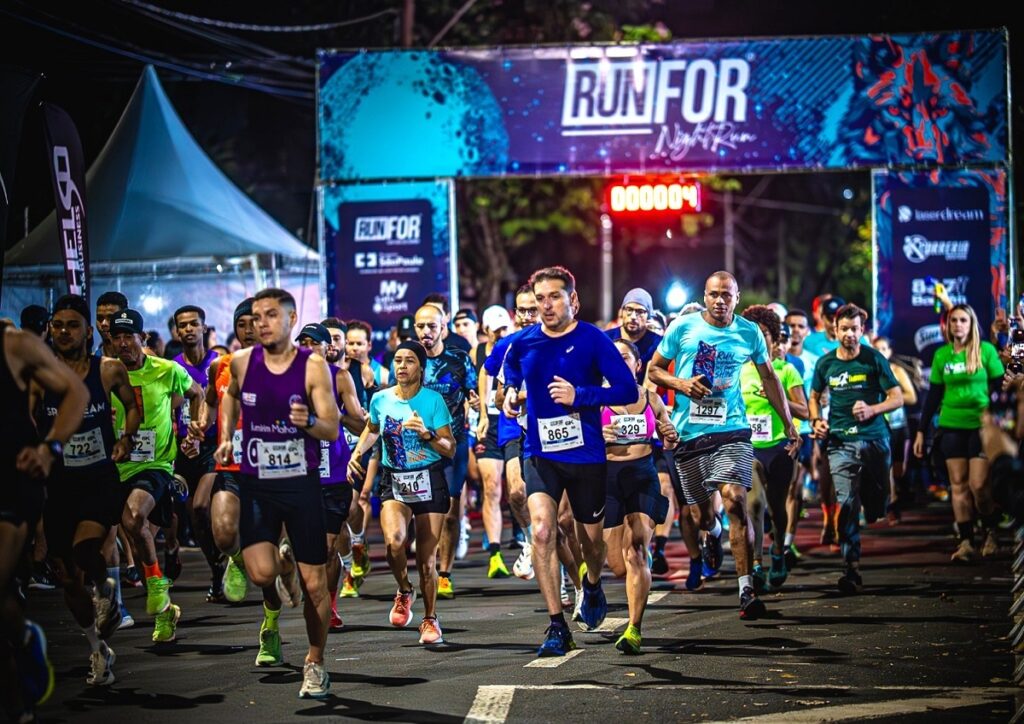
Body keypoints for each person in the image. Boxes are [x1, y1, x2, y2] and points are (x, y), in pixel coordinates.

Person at [502, 266, 638, 656]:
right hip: (540, 452)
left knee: (591, 542)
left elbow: (626, 389)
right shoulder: (524, 343)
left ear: (573, 300)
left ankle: (591, 582)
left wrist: (580, 395)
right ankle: (557, 625)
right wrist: (511, 396)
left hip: (587, 455)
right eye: (540, 298)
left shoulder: (593, 339)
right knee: (542, 531)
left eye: (555, 297)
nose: (546, 306)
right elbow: (510, 378)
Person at [648, 271, 799, 619]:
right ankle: (713, 534)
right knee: (702, 517)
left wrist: (790, 424)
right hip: (691, 435)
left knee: (734, 500)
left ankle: (746, 589)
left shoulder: (748, 332)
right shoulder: (683, 328)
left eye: (726, 295)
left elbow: (768, 377)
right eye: (713, 294)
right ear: (704, 296)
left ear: (737, 297)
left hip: (732, 429)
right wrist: (681, 384)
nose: (719, 300)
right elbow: (654, 371)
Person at [214, 288, 339, 699]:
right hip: (257, 482)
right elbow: (230, 398)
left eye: (270, 315)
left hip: (301, 484)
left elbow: (332, 429)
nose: (260, 323)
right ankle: (284, 572)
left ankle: (315, 661)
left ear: (290, 318)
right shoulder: (243, 362)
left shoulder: (313, 366)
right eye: (254, 316)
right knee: (260, 573)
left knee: (316, 586)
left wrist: (308, 422)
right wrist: (228, 436)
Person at [32, 294, 140, 686]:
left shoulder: (108, 370)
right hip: (60, 486)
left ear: (89, 331)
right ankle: (98, 649)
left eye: (72, 325)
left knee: (84, 548)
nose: (63, 332)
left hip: (98, 478)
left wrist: (126, 438)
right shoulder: (39, 375)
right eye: (57, 325)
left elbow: (132, 406)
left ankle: (107, 589)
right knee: (68, 582)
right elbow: (29, 422)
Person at [1, 319, 88, 722]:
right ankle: (21, 636)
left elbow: (76, 391)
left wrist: (50, 448)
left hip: (14, 480)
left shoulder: (14, 344)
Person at [347, 340, 456, 645]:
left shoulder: (433, 401)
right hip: (394, 479)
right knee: (395, 544)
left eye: (410, 361)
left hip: (429, 480)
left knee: (426, 560)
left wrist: (428, 434)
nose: (402, 366)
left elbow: (450, 449)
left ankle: (430, 618)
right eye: (398, 360)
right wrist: (357, 455)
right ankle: (405, 590)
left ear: (421, 367)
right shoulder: (381, 400)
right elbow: (371, 429)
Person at [204, 298, 292, 667]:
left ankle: (270, 625)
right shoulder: (222, 366)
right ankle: (235, 560)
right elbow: (211, 402)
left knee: (268, 568)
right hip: (234, 469)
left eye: (254, 322)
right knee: (223, 534)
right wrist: (208, 429)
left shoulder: (288, 365)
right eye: (242, 323)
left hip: (275, 473)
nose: (249, 329)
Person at [110, 308, 204, 643]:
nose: (123, 343)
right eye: (116, 337)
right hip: (113, 465)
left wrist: (194, 428)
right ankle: (162, 608)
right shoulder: (105, 374)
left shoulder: (166, 370)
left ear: (142, 338)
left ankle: (155, 584)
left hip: (155, 464)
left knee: (134, 518)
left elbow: (197, 394)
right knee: (129, 534)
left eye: (128, 336)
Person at [810, 303, 903, 593]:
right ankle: (851, 568)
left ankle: (878, 503)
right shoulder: (825, 364)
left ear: (862, 331)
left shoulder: (874, 359)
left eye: (855, 329)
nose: (850, 334)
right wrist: (816, 420)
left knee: (876, 504)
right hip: (840, 441)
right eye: (844, 329)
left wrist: (873, 408)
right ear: (834, 330)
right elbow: (814, 396)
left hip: (875, 439)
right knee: (847, 502)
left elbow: (897, 397)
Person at [600, 338, 676, 654]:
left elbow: (668, 432)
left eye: (624, 357)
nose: (619, 362)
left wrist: (670, 436)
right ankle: (590, 580)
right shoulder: (597, 400)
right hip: (609, 479)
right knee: (617, 565)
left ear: (637, 364)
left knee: (636, 551)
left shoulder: (651, 398)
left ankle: (634, 628)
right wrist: (597, 437)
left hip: (642, 474)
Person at [914, 304, 1005, 561]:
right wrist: (921, 431)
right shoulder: (942, 355)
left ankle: (990, 530)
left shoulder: (985, 351)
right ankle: (966, 542)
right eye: (953, 320)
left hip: (981, 425)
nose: (958, 325)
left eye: (963, 320)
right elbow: (933, 396)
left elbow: (999, 389)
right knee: (958, 486)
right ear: (948, 325)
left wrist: (999, 422)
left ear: (971, 323)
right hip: (951, 425)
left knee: (979, 486)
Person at [295, 323, 365, 629]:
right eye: (304, 342)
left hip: (334, 472)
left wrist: (335, 416)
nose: (309, 347)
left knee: (327, 547)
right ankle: (312, 597)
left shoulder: (340, 378)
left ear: (328, 348)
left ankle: (330, 605)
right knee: (300, 549)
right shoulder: (288, 378)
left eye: (315, 343)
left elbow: (361, 425)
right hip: (298, 471)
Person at [411, 304, 479, 595]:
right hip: (417, 445)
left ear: (443, 328)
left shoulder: (459, 360)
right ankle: (424, 569)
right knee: (423, 512)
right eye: (421, 326)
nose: (426, 332)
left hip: (453, 444)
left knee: (451, 512)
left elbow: (475, 395)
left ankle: (445, 572)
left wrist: (479, 410)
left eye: (432, 326)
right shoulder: (408, 360)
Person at [739, 307, 807, 593]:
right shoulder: (739, 369)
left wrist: (776, 399)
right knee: (754, 504)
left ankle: (778, 550)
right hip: (749, 447)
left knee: (778, 508)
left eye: (764, 334)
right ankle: (756, 564)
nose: (758, 339)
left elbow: (805, 410)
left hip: (779, 447)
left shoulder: (785, 370)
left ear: (773, 337)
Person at [169, 305, 223, 600]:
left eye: (194, 324)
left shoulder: (220, 362)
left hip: (213, 446)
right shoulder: (172, 367)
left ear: (204, 328)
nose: (188, 329)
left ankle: (227, 561)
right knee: (192, 516)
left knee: (202, 506)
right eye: (182, 325)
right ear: (176, 332)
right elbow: (168, 409)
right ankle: (216, 569)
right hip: (183, 450)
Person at [474, 305, 517, 578]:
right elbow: (475, 378)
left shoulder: (515, 346)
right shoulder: (477, 353)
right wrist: (478, 412)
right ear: (486, 330)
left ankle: (525, 535)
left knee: (517, 489)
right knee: (491, 487)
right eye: (497, 329)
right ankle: (495, 554)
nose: (502, 333)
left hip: (511, 419)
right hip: (488, 422)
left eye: (505, 328)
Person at [872, 336, 918, 524]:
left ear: (889, 352)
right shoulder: (869, 372)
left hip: (899, 426)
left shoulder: (897, 371)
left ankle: (899, 496)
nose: (881, 352)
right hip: (880, 427)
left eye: (884, 348)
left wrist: (892, 396)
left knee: (899, 470)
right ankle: (891, 506)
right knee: (887, 467)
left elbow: (912, 397)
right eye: (877, 348)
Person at [605, 288, 663, 384]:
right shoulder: (605, 339)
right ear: (622, 311)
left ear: (648, 316)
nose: (633, 317)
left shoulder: (658, 344)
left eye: (640, 311)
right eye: (629, 309)